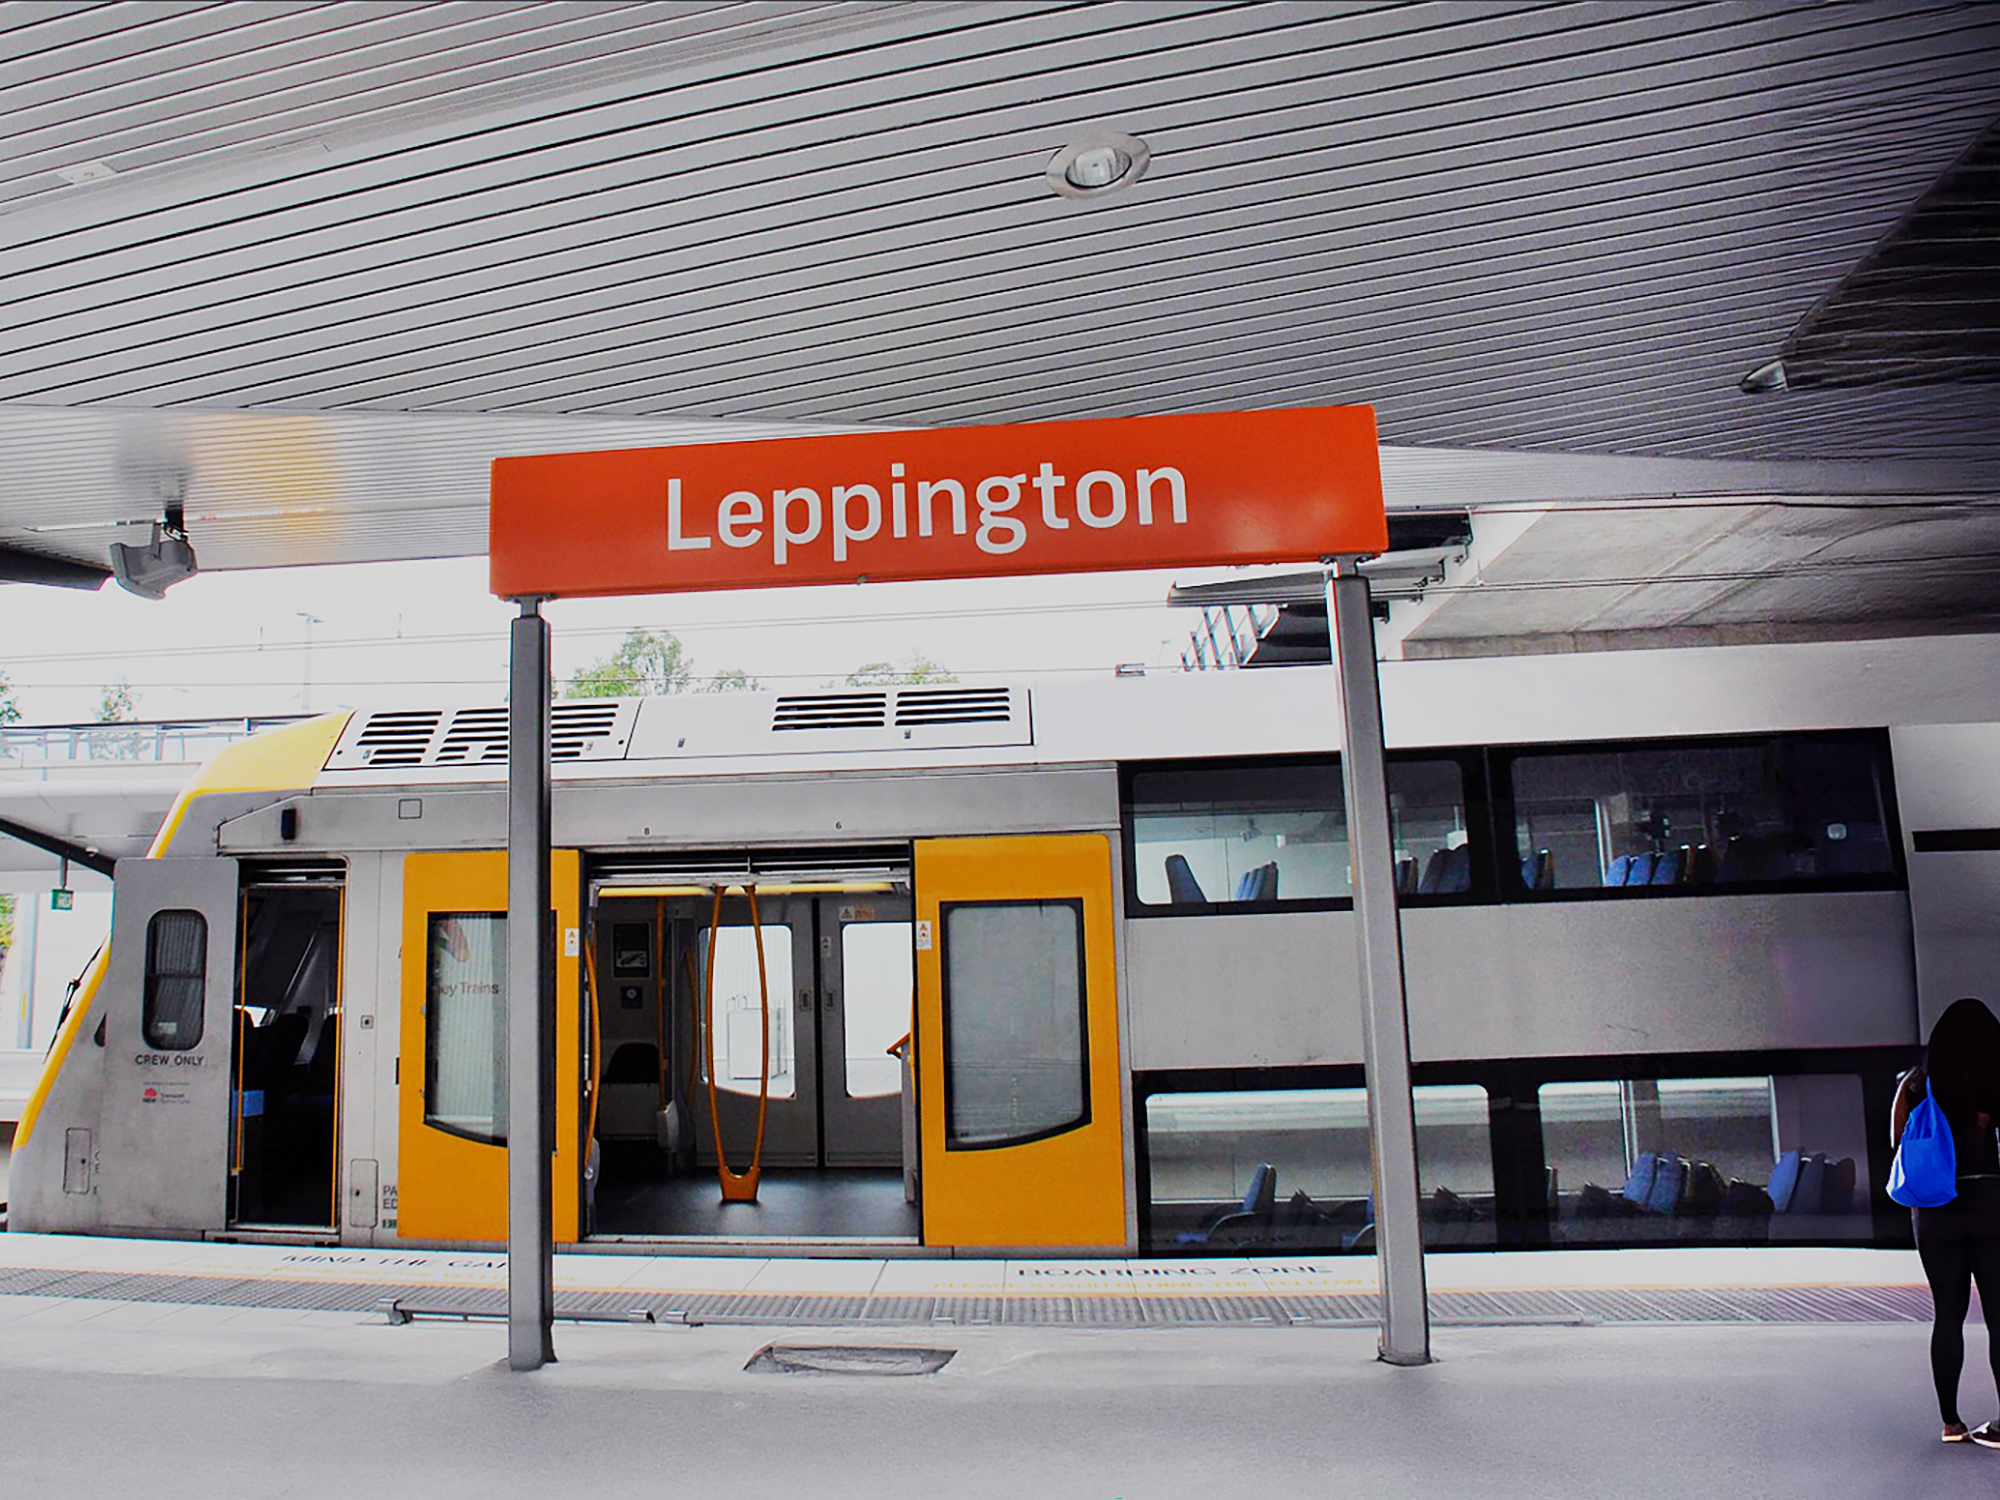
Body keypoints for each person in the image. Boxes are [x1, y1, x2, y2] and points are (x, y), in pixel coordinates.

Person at [1892, 997, 2000, 1445]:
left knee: (1947, 1315)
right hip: (1994, 1202)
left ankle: (1951, 1423)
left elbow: (1898, 1141)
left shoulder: (1919, 1083)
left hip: (1937, 1208)